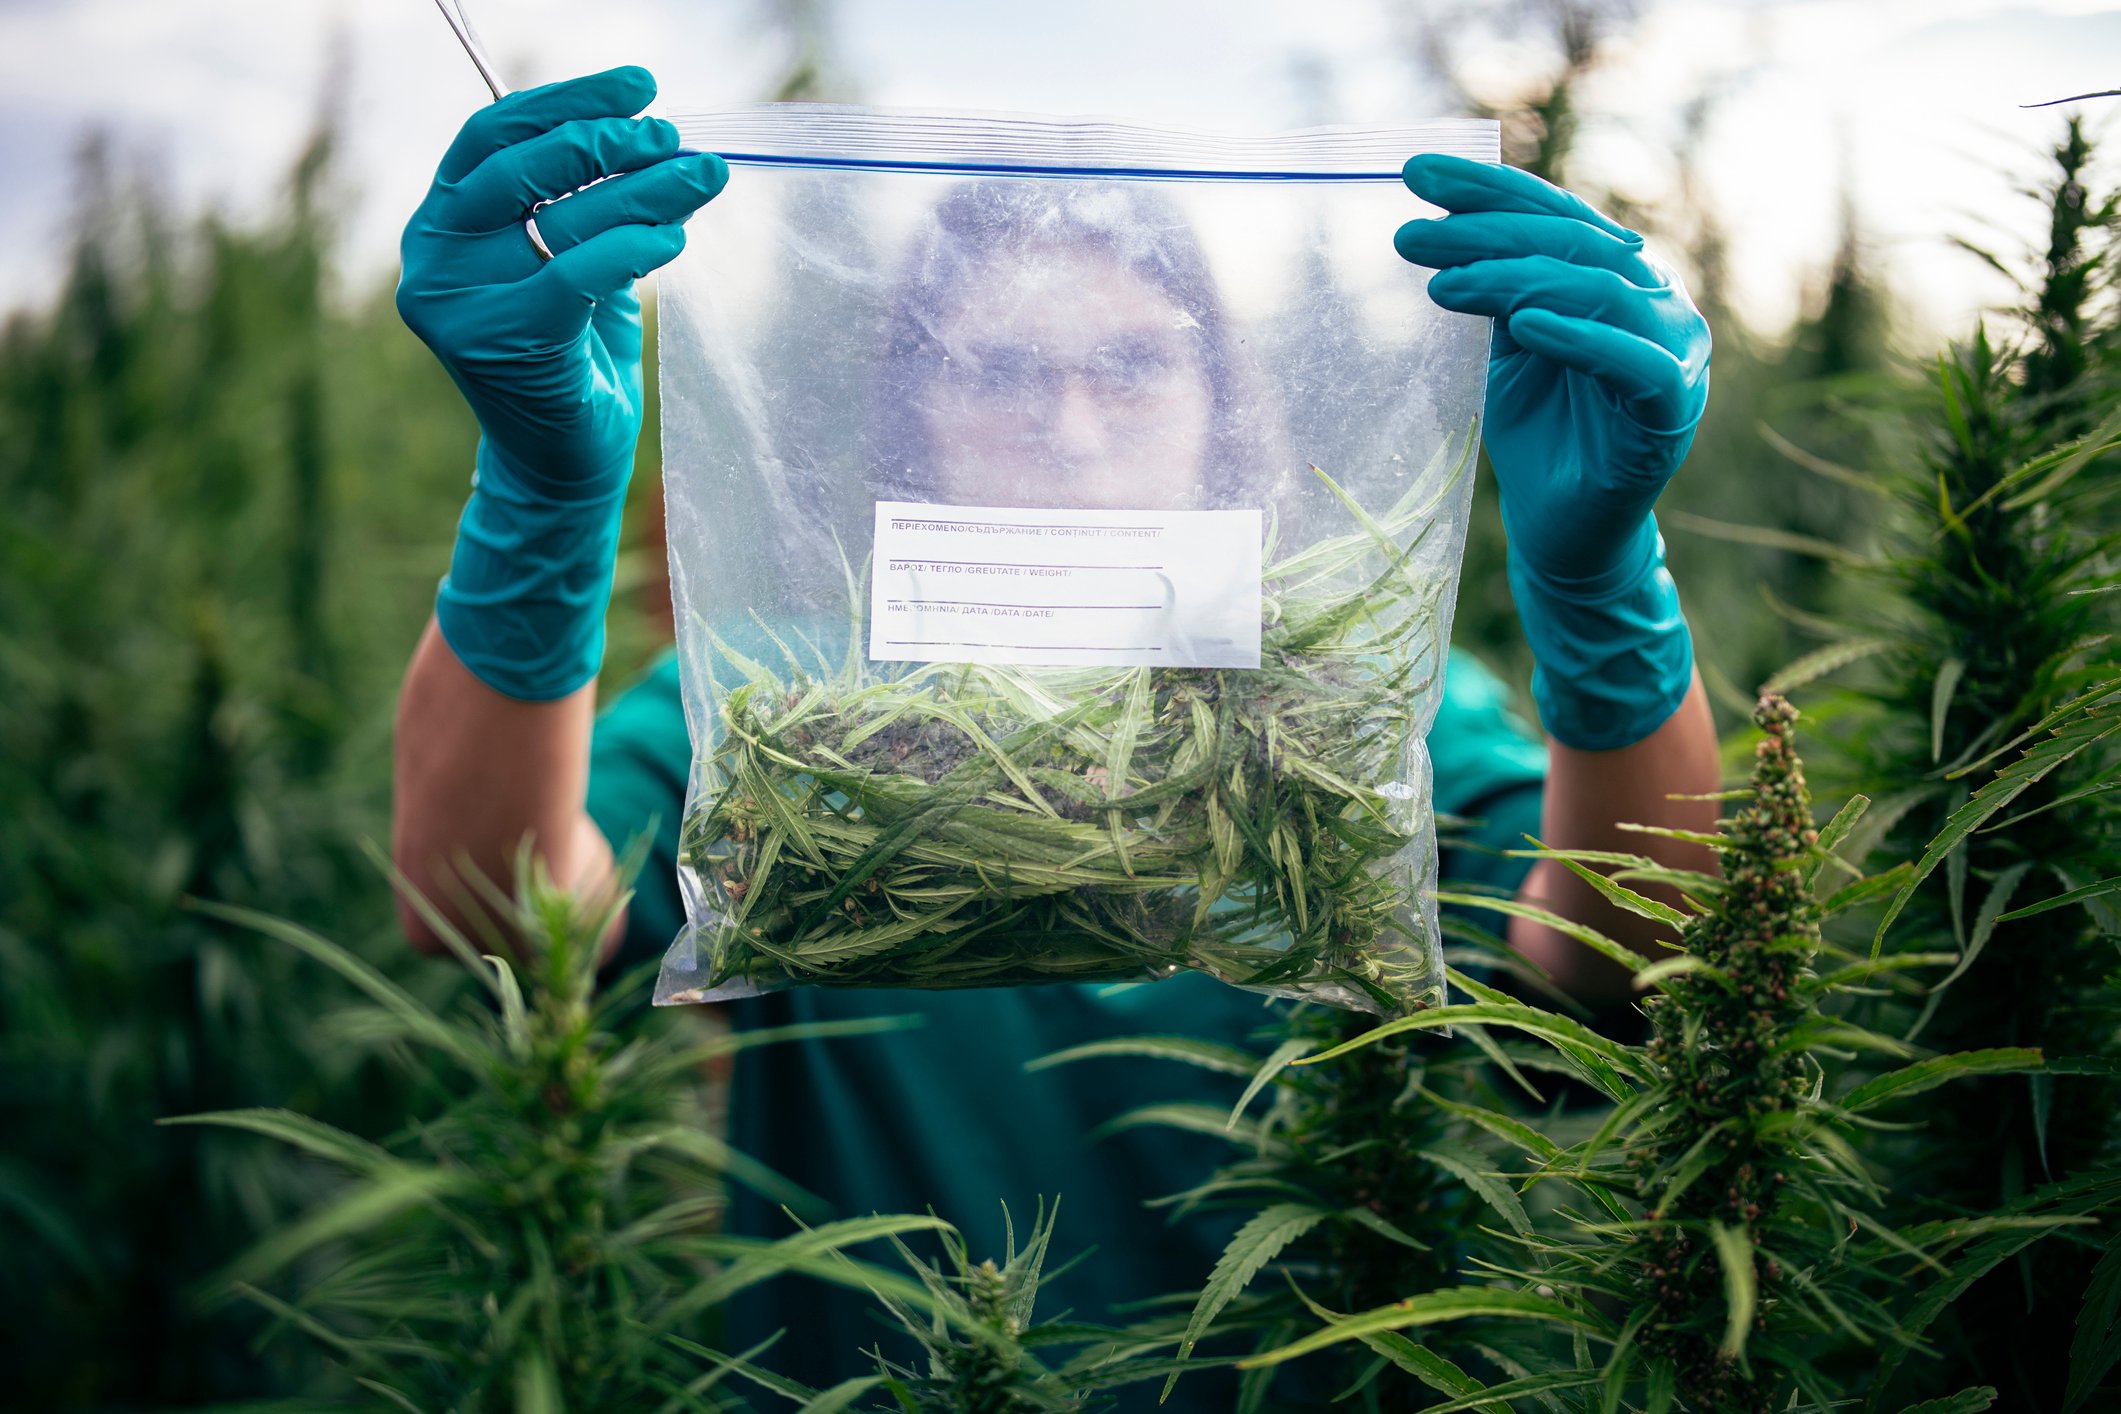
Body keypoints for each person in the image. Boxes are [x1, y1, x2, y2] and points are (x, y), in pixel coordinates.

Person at [391, 66, 1719, 1397]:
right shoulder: (789, 701)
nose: (1072, 430)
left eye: (1133, 362)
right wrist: (539, 496)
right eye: (997, 370)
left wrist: (1603, 588)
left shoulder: (1340, 706)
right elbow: (488, 910)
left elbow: (1617, 954)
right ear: (909, 405)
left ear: (1220, 389)